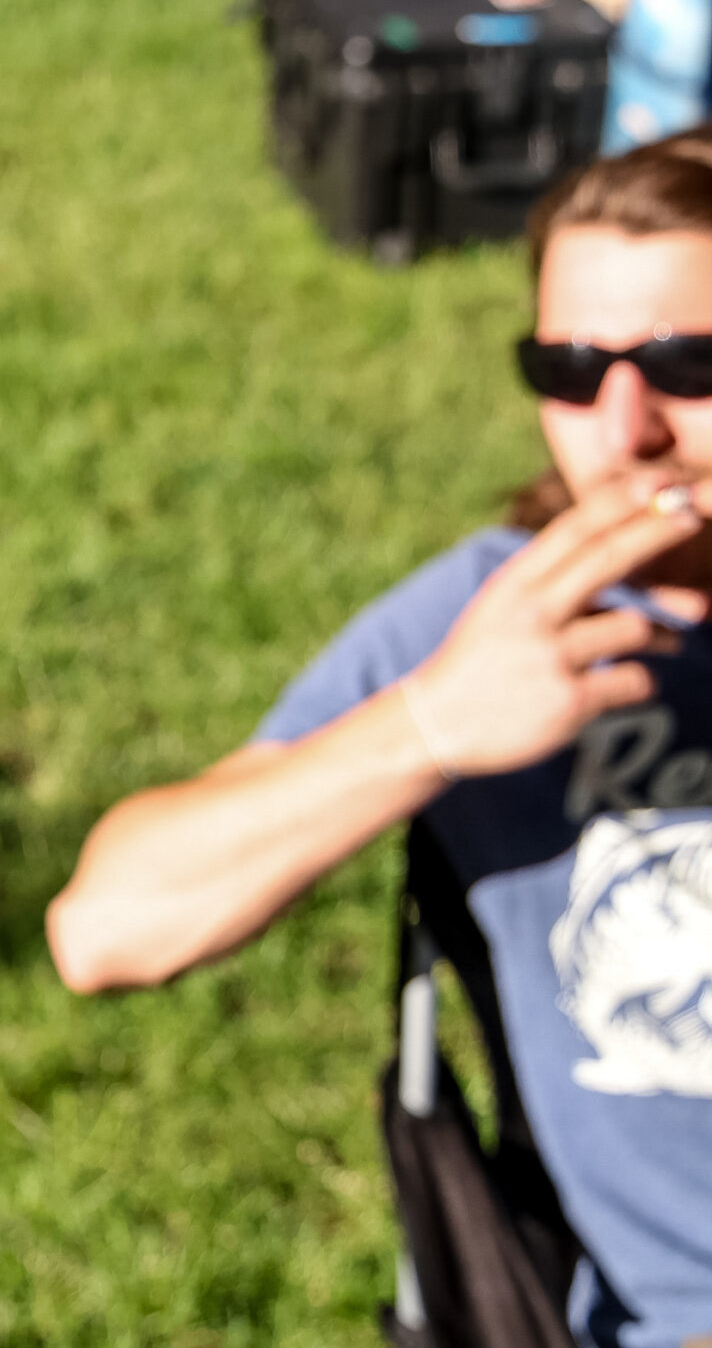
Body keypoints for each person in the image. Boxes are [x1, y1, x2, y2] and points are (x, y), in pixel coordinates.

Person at [47, 135, 712, 1348]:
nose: (624, 430)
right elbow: (104, 929)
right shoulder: (494, 619)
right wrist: (430, 725)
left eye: (686, 362)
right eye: (566, 366)